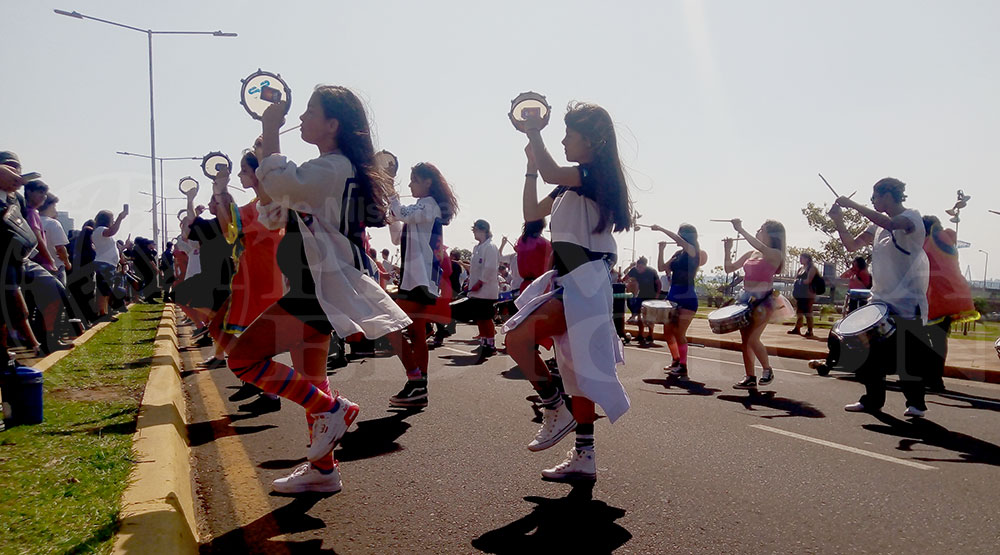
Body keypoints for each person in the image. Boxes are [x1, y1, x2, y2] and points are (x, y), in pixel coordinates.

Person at [225, 85, 411, 494]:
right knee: (313, 376)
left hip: (315, 288)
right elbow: (275, 211)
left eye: (311, 112)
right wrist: (268, 171)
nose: (302, 118)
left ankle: (331, 411)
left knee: (242, 359)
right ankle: (323, 469)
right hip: (316, 286)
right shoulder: (330, 168)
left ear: (333, 124)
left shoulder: (333, 168)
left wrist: (270, 128)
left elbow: (281, 187)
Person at [504, 101, 632, 482]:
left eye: (569, 135)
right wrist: (529, 165)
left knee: (517, 339)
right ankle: (584, 456)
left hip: (585, 279)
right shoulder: (570, 183)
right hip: (571, 280)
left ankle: (553, 407)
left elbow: (551, 169)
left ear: (592, 141)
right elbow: (530, 213)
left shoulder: (593, 176)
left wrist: (534, 132)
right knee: (578, 372)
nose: (562, 140)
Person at [829, 177, 930, 417]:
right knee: (868, 352)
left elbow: (891, 223)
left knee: (909, 355)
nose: (872, 201)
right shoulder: (876, 229)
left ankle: (916, 403)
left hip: (908, 300)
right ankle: (872, 399)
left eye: (875, 196)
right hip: (880, 298)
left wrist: (852, 206)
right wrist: (838, 220)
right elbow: (852, 245)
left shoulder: (911, 218)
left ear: (887, 195)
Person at [202, 150, 285, 405]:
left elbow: (230, 228)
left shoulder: (271, 205)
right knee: (221, 329)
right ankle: (257, 382)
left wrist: (221, 194)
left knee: (250, 339)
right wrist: (218, 192)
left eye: (244, 170)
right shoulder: (254, 207)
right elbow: (229, 231)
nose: (239, 175)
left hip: (263, 280)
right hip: (249, 279)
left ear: (257, 173)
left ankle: (270, 390)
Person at [386, 162, 458, 407]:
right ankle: (418, 385)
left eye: (414, 179)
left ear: (428, 182)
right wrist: (391, 216)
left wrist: (390, 192)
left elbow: (402, 213)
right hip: (415, 278)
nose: (410, 184)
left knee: (391, 324)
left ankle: (416, 380)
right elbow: (397, 234)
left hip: (420, 279)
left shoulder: (429, 205)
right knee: (415, 332)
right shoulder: (422, 207)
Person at [723, 219, 786, 389]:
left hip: (764, 300)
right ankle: (750, 376)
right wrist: (727, 250)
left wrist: (741, 229)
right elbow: (729, 268)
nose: (758, 230)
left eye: (762, 229)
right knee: (745, 340)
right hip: (745, 299)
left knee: (752, 338)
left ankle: (767, 370)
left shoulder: (774, 254)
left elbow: (761, 247)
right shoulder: (751, 253)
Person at [650, 224, 700, 377]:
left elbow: (679, 240)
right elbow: (661, 267)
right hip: (673, 295)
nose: (677, 238)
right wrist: (661, 250)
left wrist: (661, 229)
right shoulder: (678, 253)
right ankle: (676, 360)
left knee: (679, 332)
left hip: (687, 296)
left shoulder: (693, 251)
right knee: (668, 332)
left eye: (679, 235)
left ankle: (683, 365)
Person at [467, 218, 499, 363]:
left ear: (483, 230)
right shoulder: (477, 248)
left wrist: (481, 283)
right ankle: (484, 341)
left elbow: (490, 268)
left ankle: (491, 345)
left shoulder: (490, 247)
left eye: (476, 230)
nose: (474, 232)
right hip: (475, 289)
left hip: (486, 289)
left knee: (486, 317)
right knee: (479, 317)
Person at [92, 206, 128, 320]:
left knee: (106, 289)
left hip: (107, 264)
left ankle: (105, 312)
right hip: (104, 264)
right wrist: (120, 218)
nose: (113, 222)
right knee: (104, 289)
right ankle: (102, 313)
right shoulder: (100, 230)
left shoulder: (99, 230)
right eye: (111, 219)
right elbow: (111, 231)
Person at [624, 256, 661, 345]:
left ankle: (650, 335)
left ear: (645, 266)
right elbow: (625, 277)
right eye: (638, 267)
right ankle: (640, 334)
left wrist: (657, 295)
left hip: (651, 294)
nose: (639, 269)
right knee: (639, 315)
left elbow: (658, 284)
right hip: (641, 294)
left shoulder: (651, 271)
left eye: (641, 267)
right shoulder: (634, 270)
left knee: (649, 316)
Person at [40, 194, 71, 285]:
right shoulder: (53, 223)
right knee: (59, 295)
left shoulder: (31, 221)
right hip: (55, 267)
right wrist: (67, 263)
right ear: (50, 206)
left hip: (36, 266)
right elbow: (60, 248)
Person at [789, 252, 819, 337]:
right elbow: (796, 278)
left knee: (808, 312)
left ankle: (810, 330)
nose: (800, 260)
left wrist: (799, 281)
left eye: (802, 258)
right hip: (800, 293)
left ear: (807, 259)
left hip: (808, 293)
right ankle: (797, 328)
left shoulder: (811, 268)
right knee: (799, 311)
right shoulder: (800, 269)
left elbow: (809, 280)